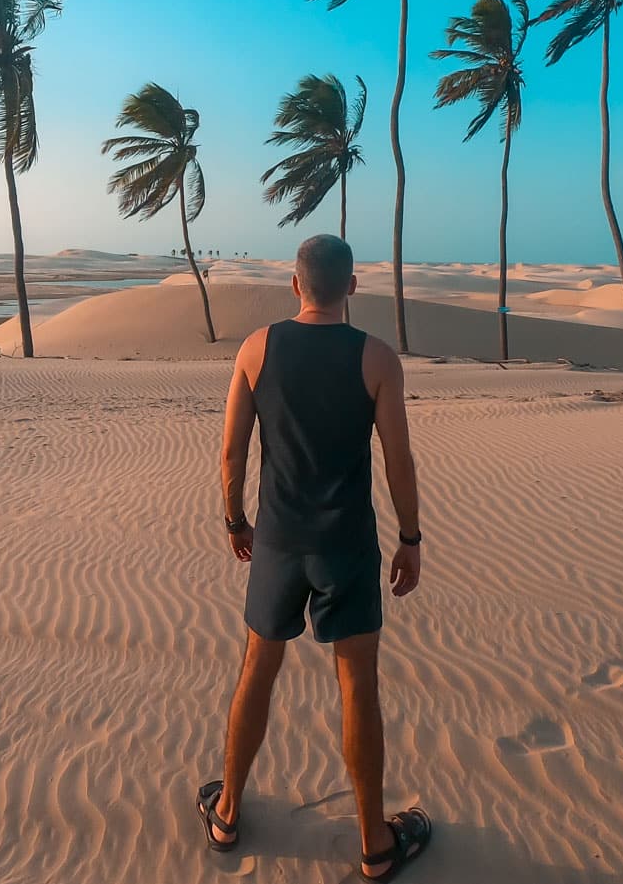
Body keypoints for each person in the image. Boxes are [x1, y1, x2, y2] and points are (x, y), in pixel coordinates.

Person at [196, 234, 431, 880]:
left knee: (256, 672)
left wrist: (233, 520)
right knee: (358, 686)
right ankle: (374, 845)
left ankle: (228, 813)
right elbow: (398, 459)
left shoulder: (255, 347)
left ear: (294, 284)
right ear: (351, 286)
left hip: (275, 541)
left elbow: (231, 453)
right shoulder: (377, 357)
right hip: (347, 547)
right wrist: (411, 538)